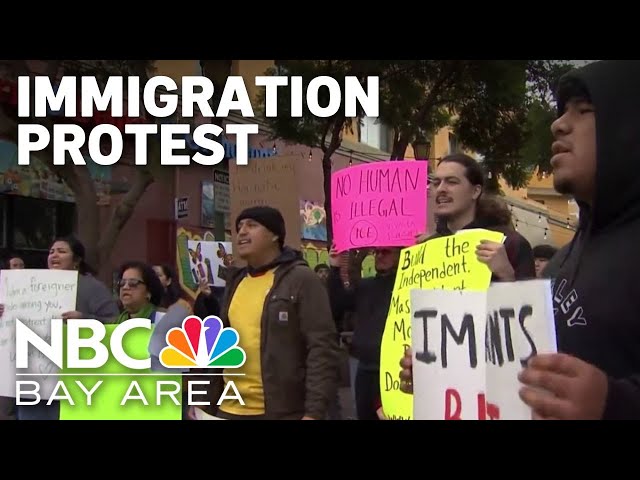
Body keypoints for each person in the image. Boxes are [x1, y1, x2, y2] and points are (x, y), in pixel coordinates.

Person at [403, 60, 640, 420]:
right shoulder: (563, 262)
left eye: (584, 110)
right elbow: (518, 372)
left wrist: (614, 403)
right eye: (561, 112)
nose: (558, 124)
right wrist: (441, 374)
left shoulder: (513, 245)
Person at [199, 206, 339, 420]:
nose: (242, 232)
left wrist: (314, 413)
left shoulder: (301, 279)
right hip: (227, 409)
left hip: (278, 412)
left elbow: (321, 348)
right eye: (239, 227)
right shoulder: (236, 281)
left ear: (275, 235)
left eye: (252, 225)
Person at [13, 235, 120, 420]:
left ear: (77, 260)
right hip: (34, 378)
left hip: (75, 381)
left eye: (61, 251)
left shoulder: (92, 287)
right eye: (51, 251)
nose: (54, 255)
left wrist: (85, 319)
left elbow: (116, 324)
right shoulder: (30, 286)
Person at [419, 153, 536, 282]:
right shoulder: (427, 248)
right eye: (436, 183)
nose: (441, 189)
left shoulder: (511, 243)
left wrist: (506, 274)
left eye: (452, 182)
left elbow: (531, 300)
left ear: (475, 191)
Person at [327, 245, 399, 420]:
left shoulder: (407, 285)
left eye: (386, 252)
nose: (379, 256)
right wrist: (335, 269)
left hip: (395, 369)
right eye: (377, 252)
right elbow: (337, 305)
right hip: (365, 367)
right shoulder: (366, 286)